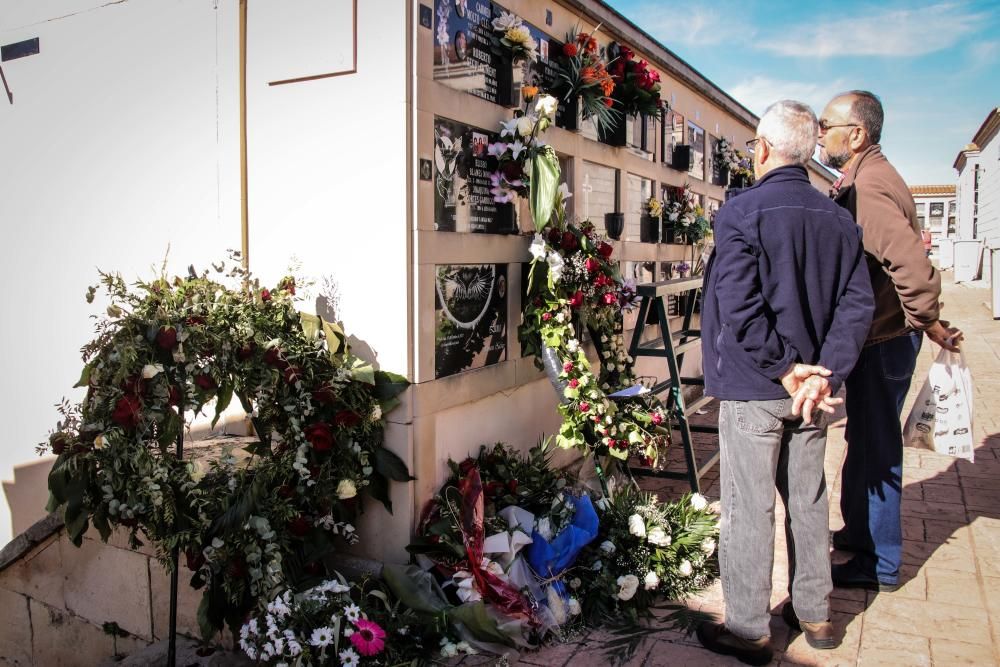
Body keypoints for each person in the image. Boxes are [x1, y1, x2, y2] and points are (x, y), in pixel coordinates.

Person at [696, 100, 874, 665]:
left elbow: (739, 305)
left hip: (758, 383)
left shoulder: (742, 212)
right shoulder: (839, 219)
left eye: (754, 145)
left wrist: (784, 367)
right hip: (812, 388)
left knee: (750, 507)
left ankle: (748, 629)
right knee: (809, 498)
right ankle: (816, 613)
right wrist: (825, 375)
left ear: (766, 148)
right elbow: (856, 306)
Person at [818, 91, 963, 592]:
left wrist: (928, 318)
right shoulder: (865, 176)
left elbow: (910, 263)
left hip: (883, 341)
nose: (820, 133)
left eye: (827, 124)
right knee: (863, 442)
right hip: (879, 339)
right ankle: (860, 534)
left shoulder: (871, 186)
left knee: (879, 451)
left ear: (856, 133)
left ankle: (880, 563)